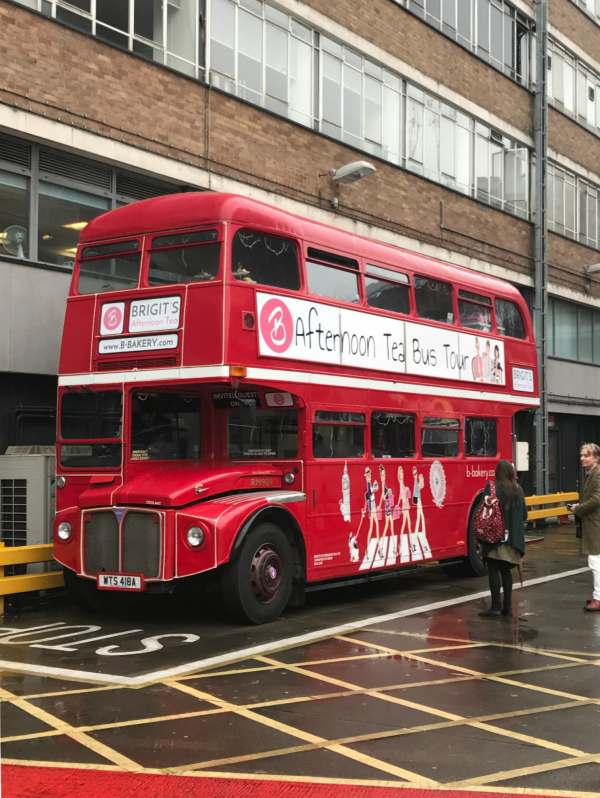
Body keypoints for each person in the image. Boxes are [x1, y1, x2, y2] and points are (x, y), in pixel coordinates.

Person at [479, 460, 526, 618]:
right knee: (506, 571)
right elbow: (524, 515)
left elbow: (484, 512)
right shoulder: (518, 489)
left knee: (493, 570)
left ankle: (495, 607)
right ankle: (507, 608)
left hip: (494, 537)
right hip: (512, 539)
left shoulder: (491, 488)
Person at [571, 443, 600, 611]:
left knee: (596, 563)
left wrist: (578, 509)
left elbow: (597, 499)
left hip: (595, 525)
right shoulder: (592, 474)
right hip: (594, 524)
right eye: (581, 455)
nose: (582, 458)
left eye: (586, 455)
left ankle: (598, 599)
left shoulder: (597, 475)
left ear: (595, 457)